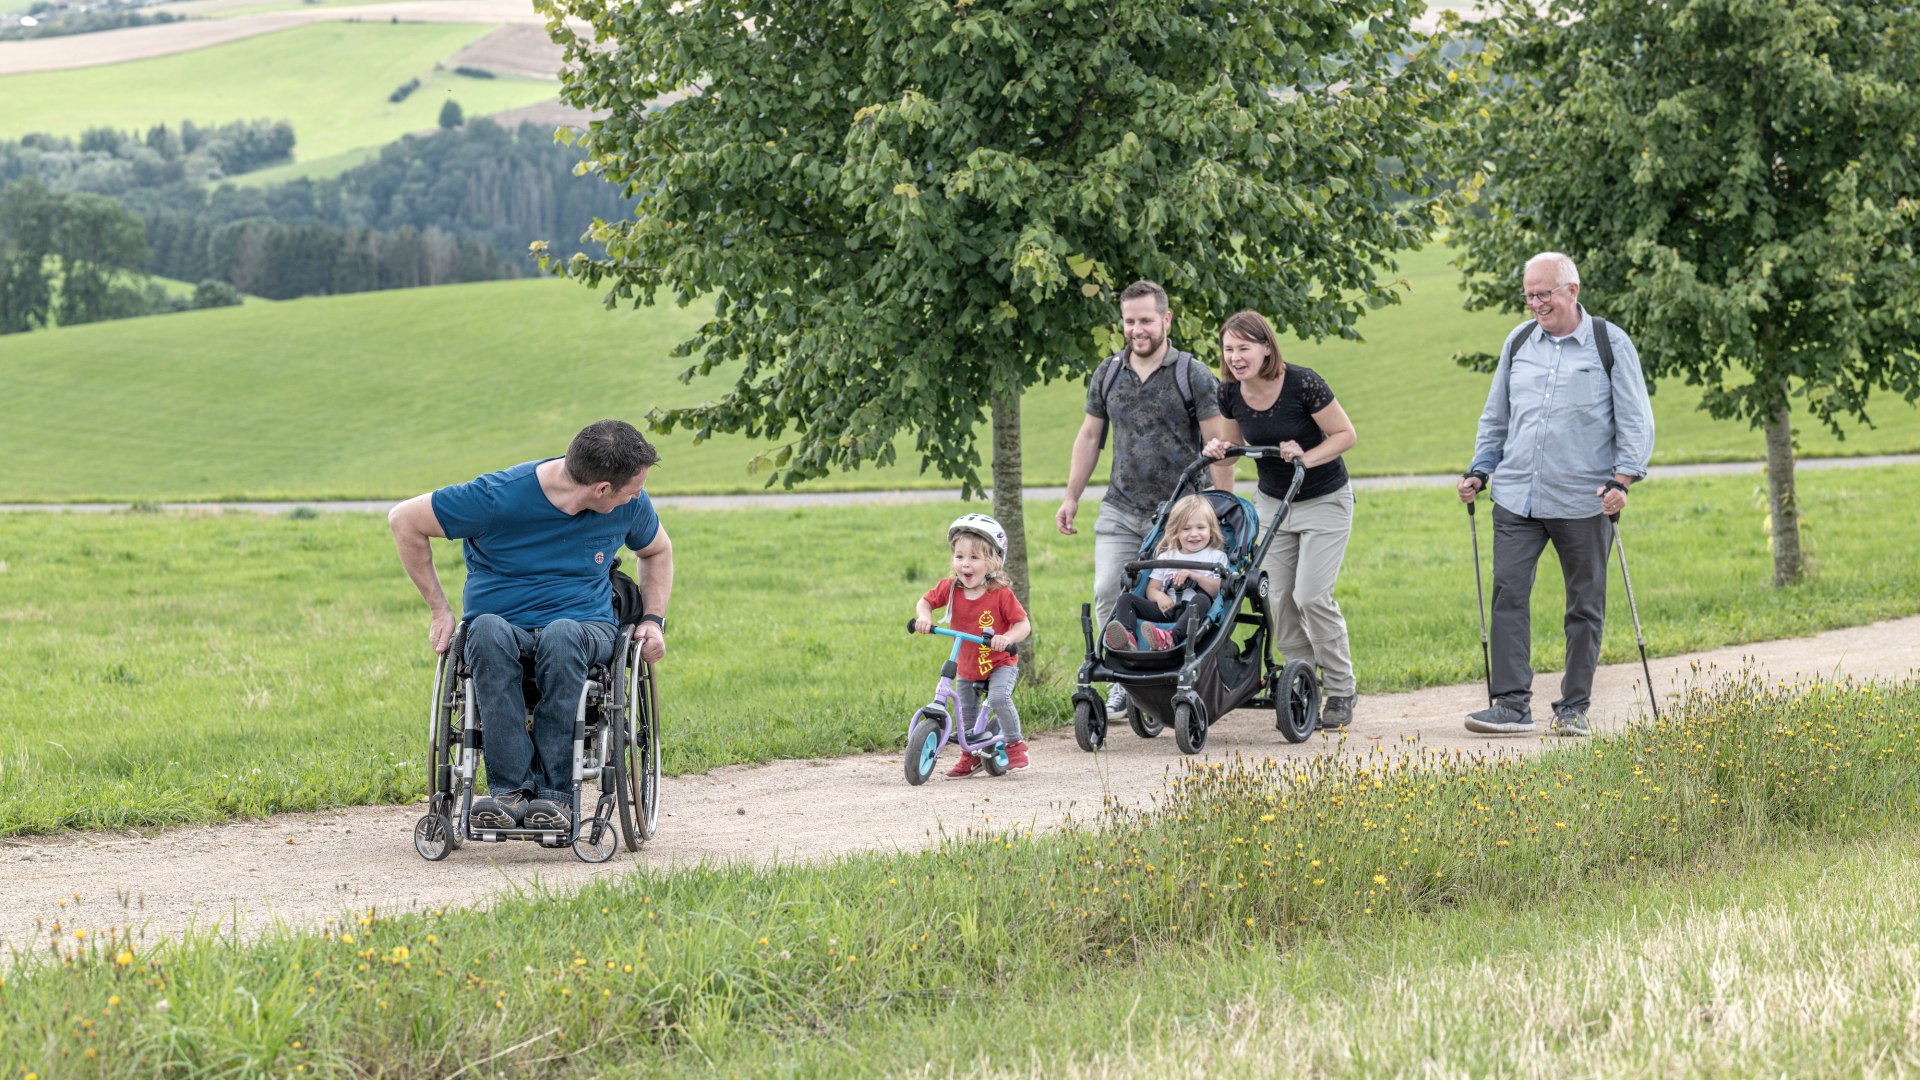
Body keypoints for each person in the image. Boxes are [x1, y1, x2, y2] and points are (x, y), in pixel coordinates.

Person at [389, 419, 673, 830]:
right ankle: (508, 792)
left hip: (583, 628)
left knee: (562, 635)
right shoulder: (496, 497)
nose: (638, 495)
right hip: (502, 627)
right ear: (601, 490)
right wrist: (439, 609)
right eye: (632, 488)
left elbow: (657, 550)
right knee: (484, 630)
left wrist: (652, 619)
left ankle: (555, 796)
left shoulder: (629, 504)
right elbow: (404, 520)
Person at [1457, 251, 1654, 737]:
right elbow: (1496, 415)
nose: (1536, 303)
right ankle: (1510, 704)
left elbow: (1636, 420)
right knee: (1507, 594)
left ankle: (1573, 708)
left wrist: (1623, 480)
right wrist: (1481, 469)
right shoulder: (1519, 341)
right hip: (1517, 496)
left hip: (1584, 499)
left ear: (1572, 291)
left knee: (1584, 605)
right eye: (1529, 295)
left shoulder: (1609, 343)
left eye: (1544, 293)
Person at [1057, 279, 1236, 720]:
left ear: (1166, 319)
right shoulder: (1108, 372)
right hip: (1121, 506)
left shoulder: (1191, 372)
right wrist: (1071, 496)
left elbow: (1219, 444)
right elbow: (1090, 435)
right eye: (1130, 321)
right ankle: (1124, 681)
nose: (1137, 329)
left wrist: (1222, 510)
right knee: (1106, 591)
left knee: (1175, 596)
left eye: (1146, 320)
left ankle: (1171, 674)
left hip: (1179, 516)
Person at [1201, 310, 1361, 728]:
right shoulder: (1229, 393)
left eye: (1244, 348)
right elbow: (1233, 448)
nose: (1235, 357)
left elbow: (1346, 435)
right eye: (1229, 349)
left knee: (1311, 596)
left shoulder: (1302, 382)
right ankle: (1302, 682)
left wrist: (1305, 457)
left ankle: (1342, 688)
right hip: (1274, 502)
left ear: (1266, 347)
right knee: (1275, 597)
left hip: (1325, 499)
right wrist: (1221, 464)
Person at [912, 514, 1033, 777]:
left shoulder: (1000, 594)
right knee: (966, 715)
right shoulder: (950, 589)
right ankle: (970, 756)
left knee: (999, 697)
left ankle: (1014, 744)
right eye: (959, 557)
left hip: (1000, 663)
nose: (965, 564)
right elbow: (924, 602)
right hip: (967, 665)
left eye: (974, 558)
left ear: (993, 562)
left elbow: (1024, 625)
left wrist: (1007, 638)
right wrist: (925, 617)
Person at [1101, 494, 1229, 651]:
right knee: (1126, 599)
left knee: (1202, 599)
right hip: (1166, 608)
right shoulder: (1166, 557)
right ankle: (1128, 639)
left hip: (1194, 612)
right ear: (1176, 532)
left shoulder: (1216, 557)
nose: (1194, 534)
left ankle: (1170, 638)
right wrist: (1160, 597)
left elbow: (1218, 590)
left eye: (1201, 528)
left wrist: (1194, 576)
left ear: (1211, 529)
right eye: (1186, 529)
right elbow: (1151, 589)